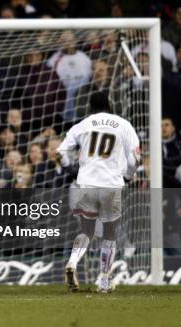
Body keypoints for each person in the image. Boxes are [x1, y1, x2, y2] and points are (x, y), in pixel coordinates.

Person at [57, 92, 140, 293]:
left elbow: (61, 151)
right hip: (111, 184)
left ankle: (72, 262)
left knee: (87, 230)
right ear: (109, 105)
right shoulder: (124, 125)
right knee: (110, 234)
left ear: (90, 107)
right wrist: (128, 176)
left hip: (86, 183)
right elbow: (134, 159)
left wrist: (71, 170)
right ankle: (104, 280)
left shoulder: (83, 124)